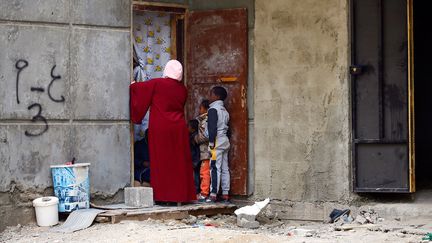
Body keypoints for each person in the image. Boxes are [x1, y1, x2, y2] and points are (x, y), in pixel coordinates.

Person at [130, 60, 196, 203]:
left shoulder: (158, 83)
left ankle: (163, 197)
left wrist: (134, 85)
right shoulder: (183, 89)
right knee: (178, 162)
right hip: (179, 128)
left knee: (161, 162)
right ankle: (180, 196)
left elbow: (138, 89)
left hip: (161, 127)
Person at [207, 86, 230, 203]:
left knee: (215, 167)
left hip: (216, 142)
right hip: (225, 141)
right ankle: (225, 193)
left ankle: (213, 194)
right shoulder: (225, 111)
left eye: (211, 94)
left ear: (217, 96)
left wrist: (211, 143)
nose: (209, 96)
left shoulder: (213, 110)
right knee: (225, 168)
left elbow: (212, 128)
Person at [194, 100, 211, 202]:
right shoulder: (204, 120)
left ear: (205, 109)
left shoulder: (205, 121)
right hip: (206, 151)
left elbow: (205, 136)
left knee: (204, 172)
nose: (199, 110)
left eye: (200, 108)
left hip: (206, 151)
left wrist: (196, 138)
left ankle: (204, 193)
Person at [188, 119, 201, 197]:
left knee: (196, 175)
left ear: (193, 128)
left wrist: (194, 161)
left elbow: (196, 151)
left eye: (188, 127)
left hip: (195, 159)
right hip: (197, 159)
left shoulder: (194, 137)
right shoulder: (193, 136)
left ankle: (196, 190)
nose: (187, 128)